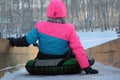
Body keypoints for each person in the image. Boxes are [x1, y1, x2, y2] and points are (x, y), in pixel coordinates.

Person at [8, 0, 98, 74]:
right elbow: (78, 49)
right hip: (62, 57)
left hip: (43, 58)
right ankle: (86, 61)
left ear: (48, 13)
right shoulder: (69, 29)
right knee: (72, 49)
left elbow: (27, 40)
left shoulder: (40, 26)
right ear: (64, 13)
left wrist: (13, 41)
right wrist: (86, 68)